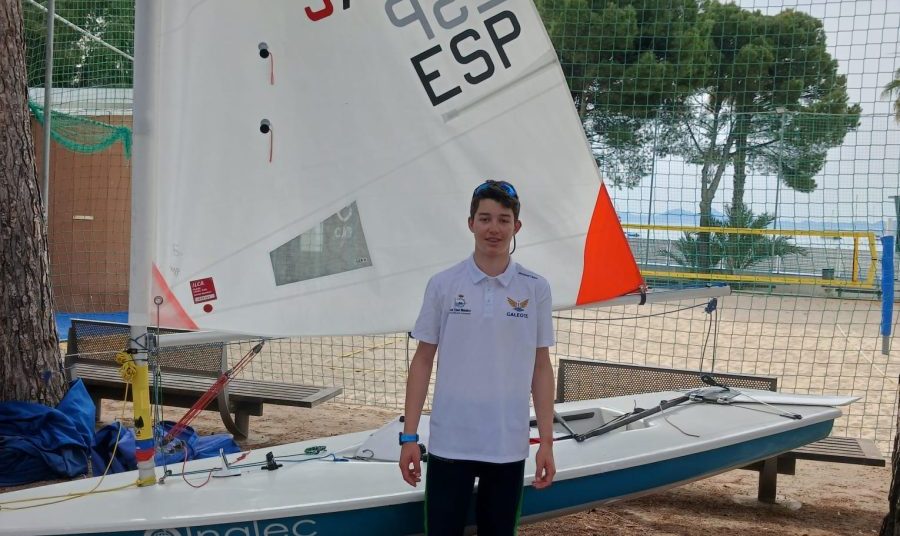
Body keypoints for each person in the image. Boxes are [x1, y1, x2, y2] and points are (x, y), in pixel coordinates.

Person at [399, 180, 556, 535]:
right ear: (471, 223)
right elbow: (422, 361)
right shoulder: (443, 284)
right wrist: (409, 438)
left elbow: (541, 367)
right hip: (450, 442)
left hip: (507, 444)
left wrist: (546, 442)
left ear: (516, 226)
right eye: (485, 218)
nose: (493, 228)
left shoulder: (535, 287)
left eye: (503, 220)